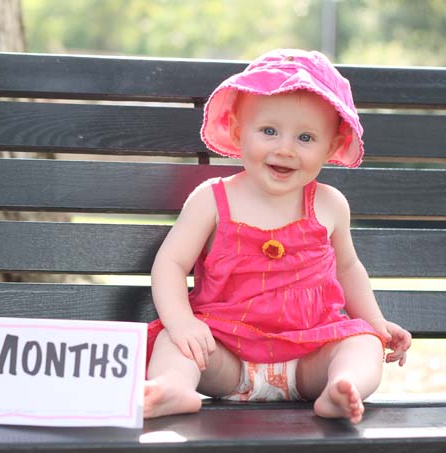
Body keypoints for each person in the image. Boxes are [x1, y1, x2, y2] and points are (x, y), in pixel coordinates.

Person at [143, 49, 412, 424]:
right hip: (226, 356)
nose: (285, 148)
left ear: (331, 147)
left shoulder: (330, 205)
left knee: (363, 343)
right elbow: (170, 264)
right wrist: (182, 321)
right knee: (176, 341)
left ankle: (342, 386)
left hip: (309, 355)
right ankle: (172, 387)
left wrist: (376, 323)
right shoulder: (212, 199)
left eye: (305, 137)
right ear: (239, 132)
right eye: (269, 131)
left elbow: (349, 269)